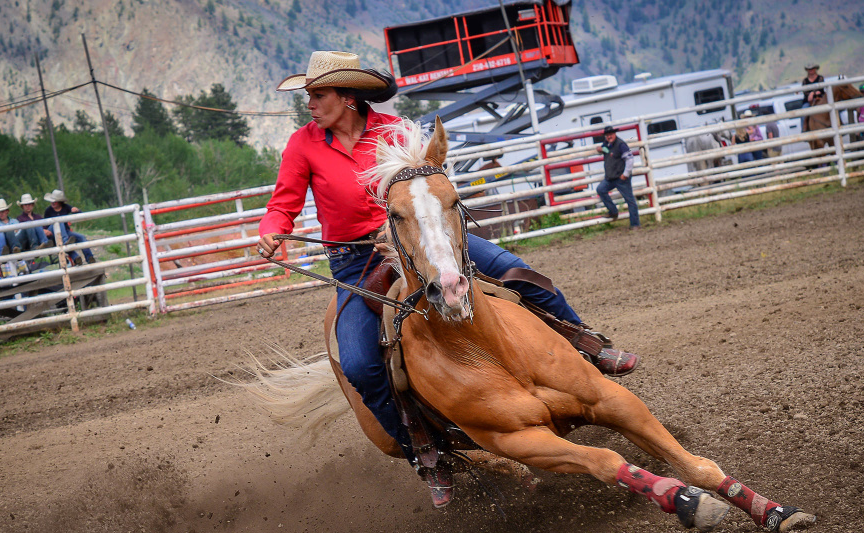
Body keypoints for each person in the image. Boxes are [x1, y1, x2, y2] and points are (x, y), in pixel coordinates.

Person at [255, 51, 638, 505]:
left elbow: (428, 189)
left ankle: (587, 343)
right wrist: (272, 230)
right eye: (309, 96)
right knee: (358, 362)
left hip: (423, 239)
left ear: (348, 96)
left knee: (518, 273)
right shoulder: (304, 145)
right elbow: (284, 202)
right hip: (355, 261)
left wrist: (404, 231)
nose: (310, 104)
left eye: (318, 95)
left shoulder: (396, 132)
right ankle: (426, 451)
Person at [594, 125, 640, 230]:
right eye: (607, 135)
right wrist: (601, 149)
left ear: (614, 134)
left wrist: (626, 174)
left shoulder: (621, 144)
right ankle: (613, 211)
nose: (609, 136)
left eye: (610, 134)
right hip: (611, 177)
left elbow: (629, 159)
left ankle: (635, 224)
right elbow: (606, 150)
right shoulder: (607, 144)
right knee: (601, 189)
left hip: (620, 177)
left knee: (630, 200)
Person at [44, 189, 95, 265]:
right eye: (52, 201)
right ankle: (67, 245)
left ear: (60, 202)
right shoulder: (48, 211)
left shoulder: (65, 207)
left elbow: (80, 214)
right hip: (53, 234)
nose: (53, 203)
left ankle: (89, 258)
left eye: (55, 201)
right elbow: (45, 226)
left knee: (81, 237)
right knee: (59, 222)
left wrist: (76, 210)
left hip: (66, 232)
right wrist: (45, 231)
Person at [801, 63, 824, 132]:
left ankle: (838, 124)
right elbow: (805, 92)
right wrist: (812, 93)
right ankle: (804, 129)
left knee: (831, 107)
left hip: (820, 98)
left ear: (815, 69)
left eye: (812, 69)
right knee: (803, 112)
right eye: (809, 69)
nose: (810, 70)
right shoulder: (805, 81)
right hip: (808, 101)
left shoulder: (820, 78)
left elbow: (821, 90)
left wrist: (812, 93)